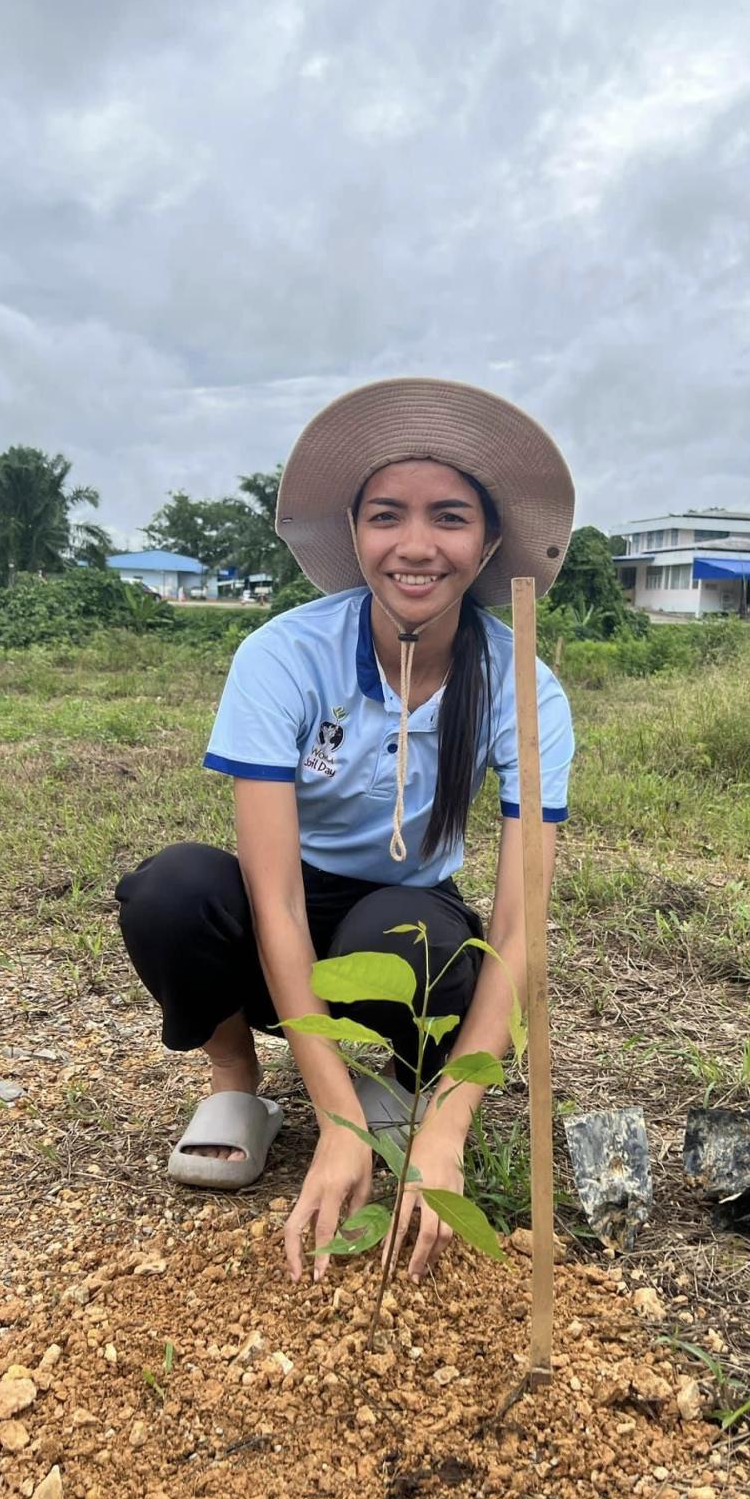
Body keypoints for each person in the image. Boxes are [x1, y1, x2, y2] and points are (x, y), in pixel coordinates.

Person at [115, 378, 575, 1284]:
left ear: (485, 543)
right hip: (286, 897)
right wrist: (332, 1116)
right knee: (170, 893)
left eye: (448, 517)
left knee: (410, 940)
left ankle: (408, 1092)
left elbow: (521, 930)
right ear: (354, 533)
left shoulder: (524, 685)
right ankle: (240, 1087)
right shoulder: (285, 656)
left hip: (407, 910)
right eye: (385, 516)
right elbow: (276, 898)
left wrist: (451, 1122)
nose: (414, 546)